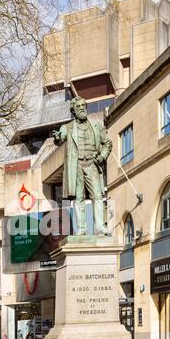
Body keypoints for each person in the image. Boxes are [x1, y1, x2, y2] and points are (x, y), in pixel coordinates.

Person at [53, 96, 112, 235]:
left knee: (97, 195)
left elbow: (107, 143)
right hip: (77, 165)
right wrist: (57, 137)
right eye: (78, 107)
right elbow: (60, 137)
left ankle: (100, 226)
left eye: (83, 106)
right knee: (79, 198)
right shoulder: (67, 127)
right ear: (73, 111)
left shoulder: (96, 126)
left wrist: (102, 156)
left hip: (92, 164)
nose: (82, 109)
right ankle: (82, 228)